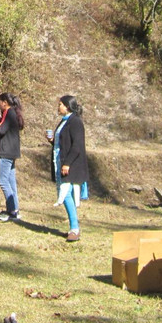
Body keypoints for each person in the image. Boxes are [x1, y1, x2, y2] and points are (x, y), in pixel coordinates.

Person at [52, 95, 89, 242]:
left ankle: (75, 229)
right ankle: (74, 227)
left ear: (67, 106)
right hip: (61, 161)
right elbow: (64, 142)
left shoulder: (75, 122)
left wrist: (67, 163)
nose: (58, 107)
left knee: (66, 194)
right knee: (67, 194)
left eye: (60, 104)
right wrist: (52, 141)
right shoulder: (64, 121)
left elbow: (77, 145)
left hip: (72, 164)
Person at [0, 92, 24, 222]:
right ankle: (15, 209)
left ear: (5, 102)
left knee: (3, 180)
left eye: (0, 102)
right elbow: (3, 127)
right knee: (11, 181)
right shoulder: (12, 113)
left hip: (7, 151)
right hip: (13, 151)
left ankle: (11, 210)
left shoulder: (9, 113)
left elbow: (1, 130)